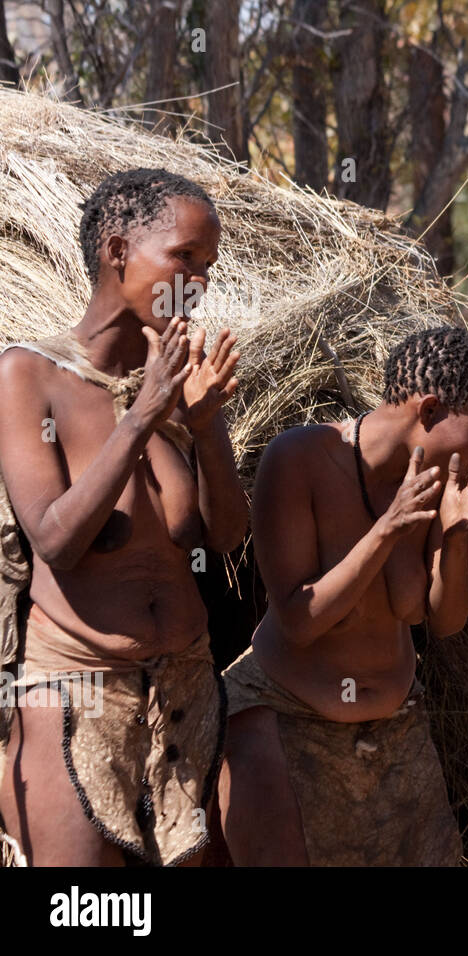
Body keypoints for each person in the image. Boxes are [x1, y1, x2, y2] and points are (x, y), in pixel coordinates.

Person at [0, 168, 247, 866]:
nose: (197, 281)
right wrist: (143, 415)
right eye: (184, 257)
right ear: (116, 251)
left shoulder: (177, 383)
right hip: (79, 696)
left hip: (185, 696)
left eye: (208, 267)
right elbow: (56, 539)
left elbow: (226, 539)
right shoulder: (30, 375)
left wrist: (204, 426)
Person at [218, 325, 468, 866]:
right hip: (284, 722)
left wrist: (454, 534)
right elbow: (301, 621)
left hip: (398, 734)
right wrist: (389, 529)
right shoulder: (301, 460)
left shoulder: (431, 482)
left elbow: (440, 623)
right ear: (427, 412)